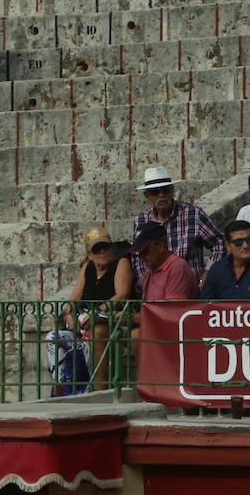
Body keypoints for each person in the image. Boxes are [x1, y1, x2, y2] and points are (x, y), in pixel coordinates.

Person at [131, 166, 225, 289]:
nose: (161, 195)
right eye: (155, 192)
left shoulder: (193, 214)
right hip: (157, 291)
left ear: (172, 190)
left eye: (165, 190)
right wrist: (147, 284)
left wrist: (207, 273)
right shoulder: (141, 220)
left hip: (190, 288)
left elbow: (219, 242)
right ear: (147, 195)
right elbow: (137, 257)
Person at [67, 226, 134, 392]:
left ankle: (97, 390)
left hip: (113, 321)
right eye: (97, 249)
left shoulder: (121, 263)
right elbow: (73, 300)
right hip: (85, 322)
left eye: (106, 247)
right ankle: (66, 387)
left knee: (95, 333)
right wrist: (69, 316)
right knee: (54, 337)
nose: (102, 251)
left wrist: (94, 313)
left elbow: (122, 295)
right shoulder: (88, 267)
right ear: (89, 254)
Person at [201, 220, 250, 300]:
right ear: (228, 245)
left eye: (249, 240)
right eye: (239, 242)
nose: (245, 246)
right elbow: (205, 305)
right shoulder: (217, 269)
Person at [133, 222, 197, 301]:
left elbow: (171, 309)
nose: (141, 257)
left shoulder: (177, 268)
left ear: (160, 246)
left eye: (145, 252)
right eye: (140, 253)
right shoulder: (150, 270)